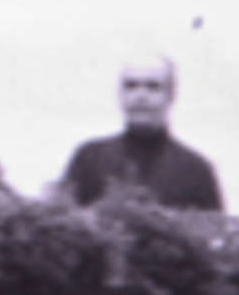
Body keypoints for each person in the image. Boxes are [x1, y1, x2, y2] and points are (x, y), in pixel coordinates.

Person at [56, 56, 224, 212]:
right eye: (131, 86)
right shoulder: (89, 159)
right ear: (120, 95)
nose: (140, 96)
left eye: (153, 87)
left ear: (171, 96)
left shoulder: (196, 171)